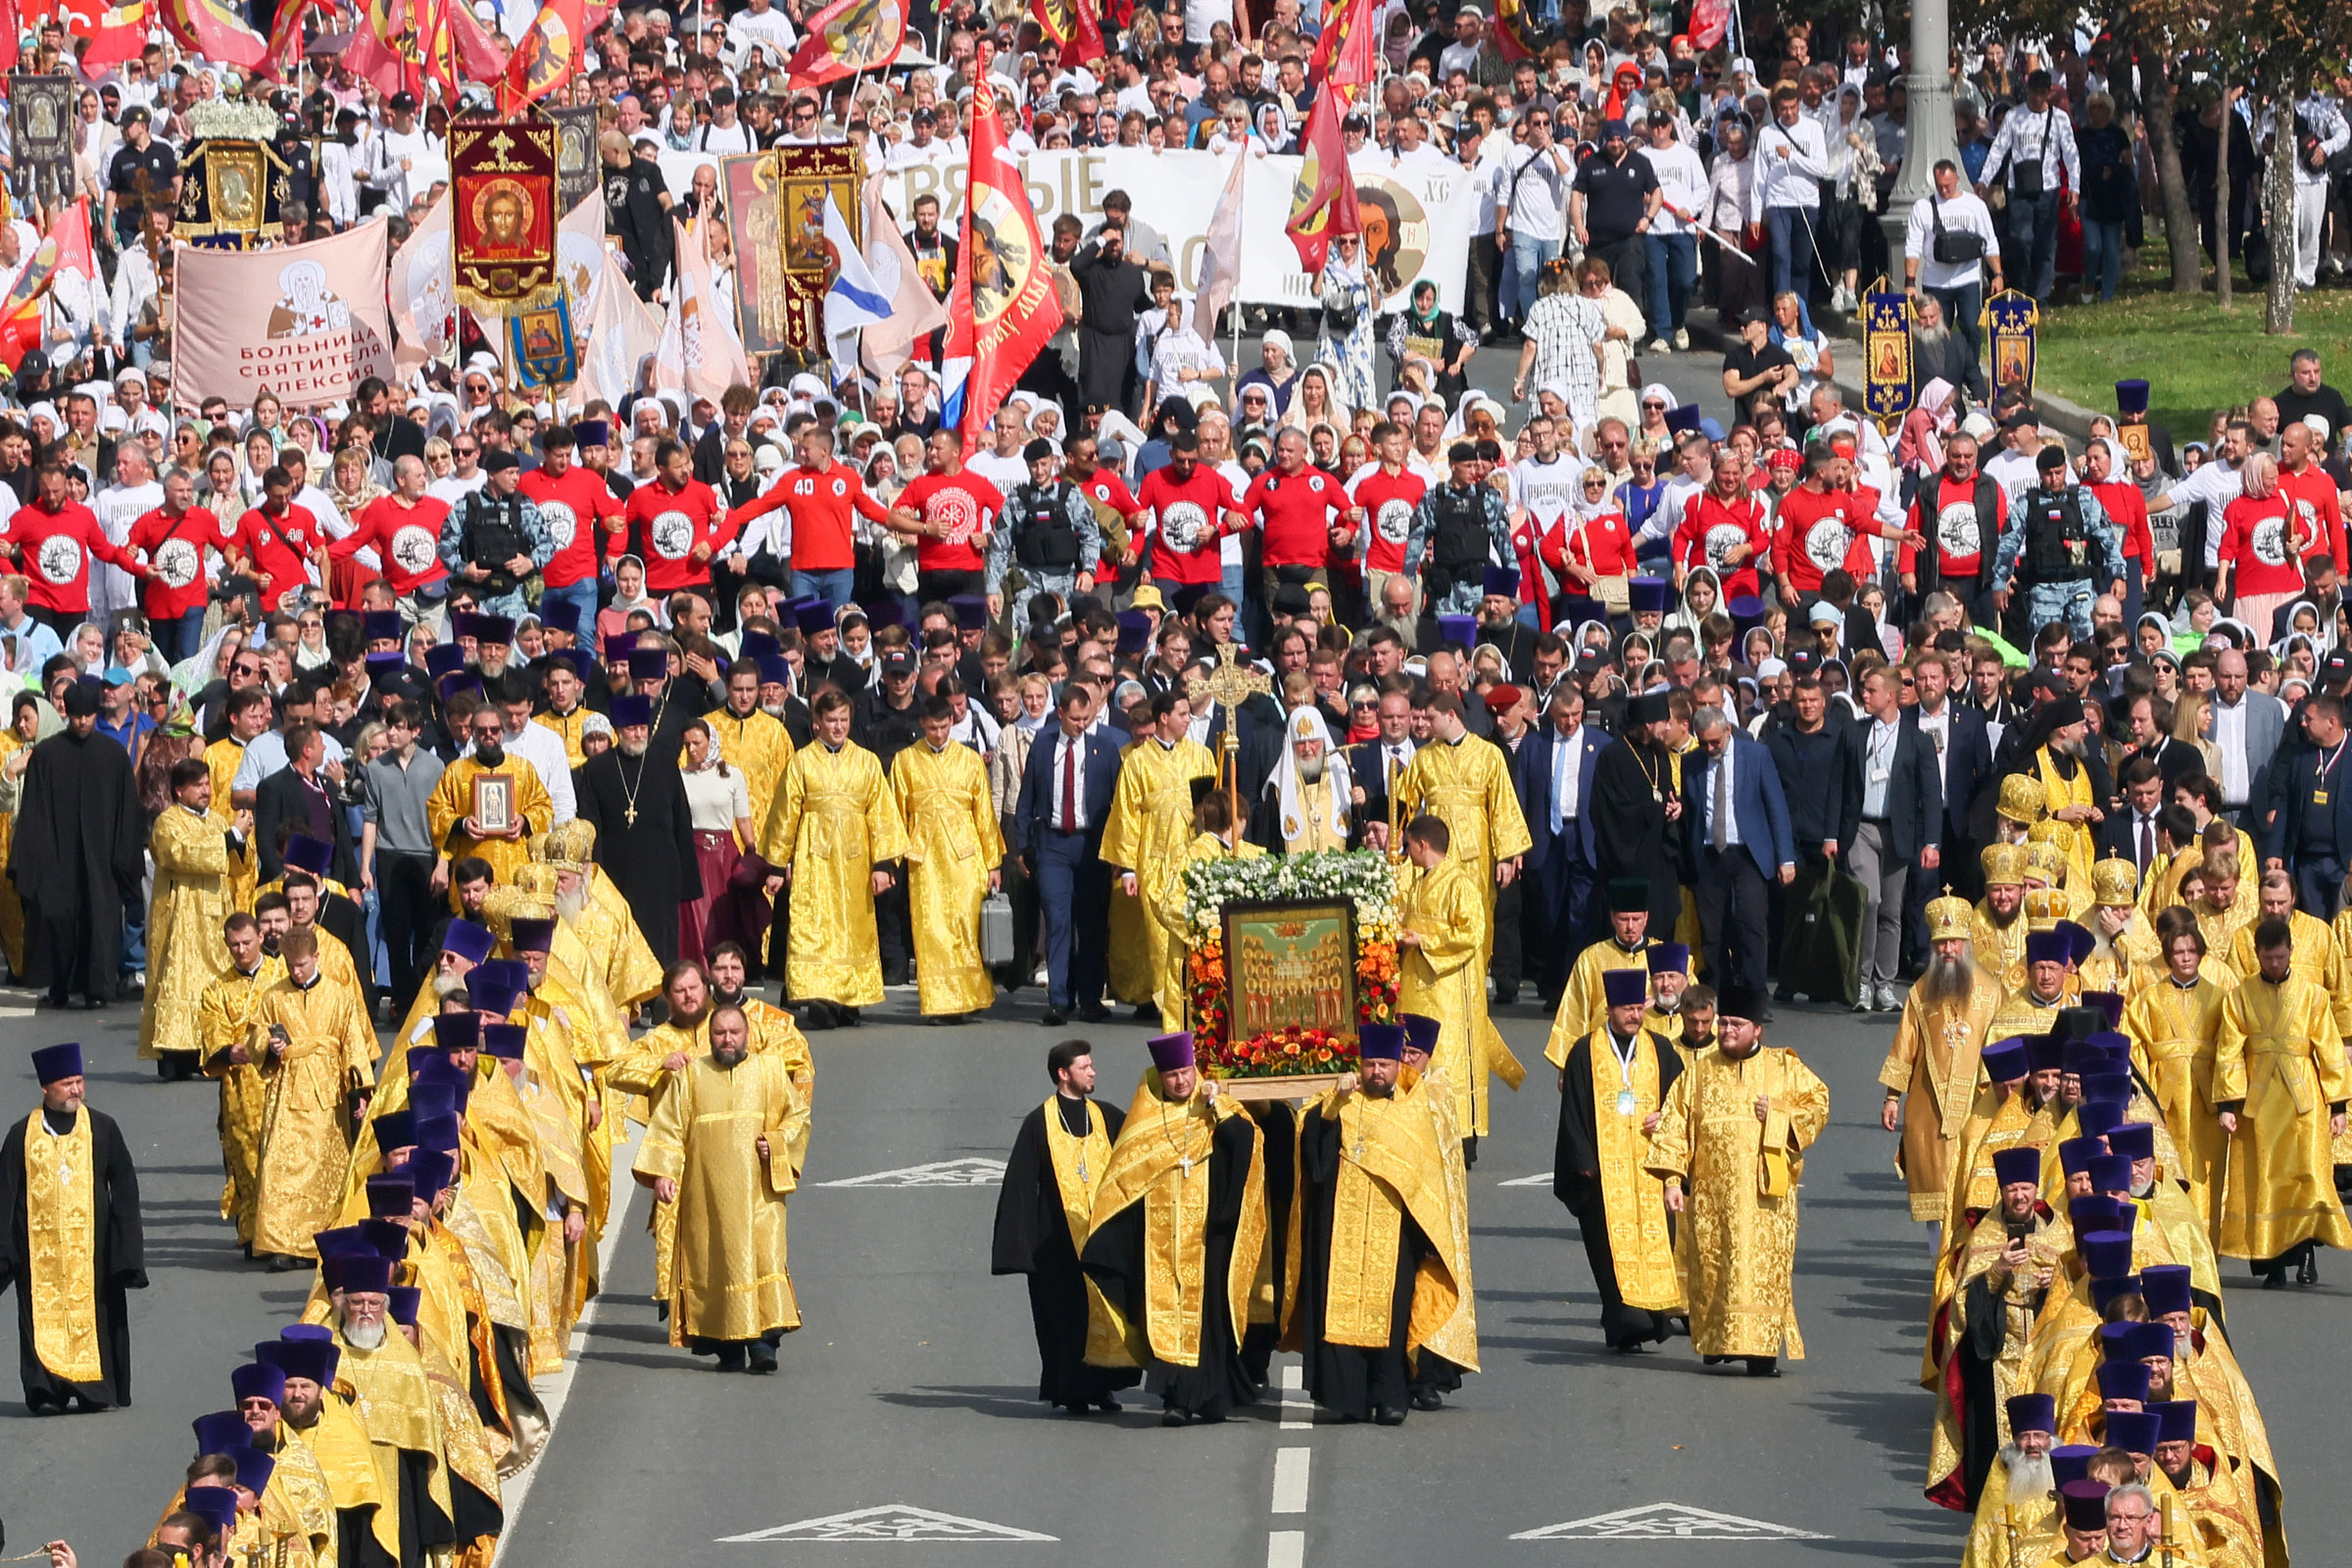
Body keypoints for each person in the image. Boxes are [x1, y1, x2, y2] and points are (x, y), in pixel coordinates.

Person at [1079, 1031, 1265, 1426]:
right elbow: (1123, 1177)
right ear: (1160, 1077)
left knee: (1208, 1315)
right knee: (1162, 1312)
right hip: (1157, 1238)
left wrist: (1216, 1106)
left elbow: (1245, 1142)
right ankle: (1176, 1399)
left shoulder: (1217, 1105)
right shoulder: (1145, 1115)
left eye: (1184, 1073)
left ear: (1195, 1069)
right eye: (1171, 1076)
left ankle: (1211, 1396)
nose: (1180, 1082)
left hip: (1208, 1235)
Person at [1643, 983, 1830, 1375]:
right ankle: (1719, 1342)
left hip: (1767, 1201)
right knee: (1715, 1271)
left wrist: (1779, 1113)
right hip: (1713, 1200)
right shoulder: (1698, 1073)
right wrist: (1673, 1181)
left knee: (1761, 1275)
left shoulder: (1784, 1067)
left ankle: (1761, 1356)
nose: (1727, 1031)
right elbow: (1675, 1125)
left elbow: (1819, 1102)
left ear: (1757, 1029)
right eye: (1724, 1023)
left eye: (1736, 1025)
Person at [1296, 1022, 1471, 1425]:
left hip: (1396, 1234)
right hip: (1340, 1227)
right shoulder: (1336, 1100)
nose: (1377, 1072)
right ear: (1360, 1064)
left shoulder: (1413, 1108)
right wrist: (1334, 1106)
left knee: (1391, 1317)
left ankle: (1390, 1397)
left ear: (1397, 1067)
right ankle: (1348, 1398)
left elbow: (1428, 1177)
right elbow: (1315, 1160)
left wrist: (1428, 1235)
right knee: (1339, 1312)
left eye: (1385, 1065)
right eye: (1371, 1064)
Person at [633, 1000, 808, 1371]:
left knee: (762, 1259)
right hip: (705, 1195)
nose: (727, 1039)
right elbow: (668, 1128)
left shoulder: (772, 1072)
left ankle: (764, 1346)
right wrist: (663, 1173)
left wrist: (776, 1142)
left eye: (734, 1032)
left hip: (759, 1196)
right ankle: (727, 1349)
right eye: (720, 1033)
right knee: (714, 1265)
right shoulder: (691, 1077)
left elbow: (798, 1119)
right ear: (710, 1037)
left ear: (748, 1035)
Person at [990, 1039, 1138, 1416]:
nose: (1093, 1072)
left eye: (1091, 1065)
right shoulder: (1039, 1122)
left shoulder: (1105, 1116)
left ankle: (1103, 1386)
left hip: (1103, 1238)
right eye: (1085, 1067)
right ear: (1063, 1073)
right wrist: (1020, 1248)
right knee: (1067, 1319)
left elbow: (1139, 1151)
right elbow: (1021, 1185)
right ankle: (1071, 1389)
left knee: (1106, 1313)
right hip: (1056, 1244)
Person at [1, 1043, 146, 1413]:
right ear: (46, 1088)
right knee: (38, 1318)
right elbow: (5, 1196)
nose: (76, 1091)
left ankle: (91, 1390)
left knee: (96, 1315)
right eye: (67, 1084)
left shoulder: (102, 1127)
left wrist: (126, 1252)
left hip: (92, 1253)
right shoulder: (22, 1134)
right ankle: (45, 1390)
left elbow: (125, 1188)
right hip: (39, 1255)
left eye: (80, 1082)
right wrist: (6, 1253)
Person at [2214, 913, 2352, 1285]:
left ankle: (2306, 1255)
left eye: (2281, 957)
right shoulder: (2240, 996)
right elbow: (2229, 1051)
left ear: (2291, 951)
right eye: (2268, 958)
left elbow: (2330, 1050)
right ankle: (2271, 1262)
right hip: (2258, 1104)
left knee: (2306, 1177)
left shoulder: (2313, 996)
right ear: (2257, 954)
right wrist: (2227, 1105)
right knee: (2266, 1182)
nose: (2275, 964)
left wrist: (2338, 1107)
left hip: (2303, 1100)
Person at [1552, 965, 1684, 1352]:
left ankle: (1652, 1315)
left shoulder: (1660, 1050)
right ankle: (1625, 1323)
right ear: (1610, 1009)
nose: (1635, 1016)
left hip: (1651, 1171)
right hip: (1602, 1178)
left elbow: (1681, 1102)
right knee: (1610, 1251)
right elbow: (1572, 1113)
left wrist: (1668, 1116)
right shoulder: (1584, 1052)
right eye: (1627, 1009)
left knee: (1655, 1244)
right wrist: (1584, 1164)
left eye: (1639, 1009)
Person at [760, 687, 906, 1031]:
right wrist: (778, 865)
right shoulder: (801, 761)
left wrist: (884, 865)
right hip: (814, 857)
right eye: (831, 721)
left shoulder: (867, 761)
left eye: (843, 720)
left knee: (853, 927)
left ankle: (849, 997)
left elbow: (882, 814)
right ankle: (818, 995)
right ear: (817, 723)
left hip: (856, 858)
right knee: (814, 923)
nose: (838, 727)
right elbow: (785, 814)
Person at [1924, 1132, 2055, 1510]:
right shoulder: (1985, 1237)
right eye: (2012, 1189)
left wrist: (2055, 1282)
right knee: (1997, 1435)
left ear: (2036, 1189)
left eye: (2026, 1188)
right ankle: (1997, 1508)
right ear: (2002, 1191)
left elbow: (2078, 1293)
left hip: (2043, 1349)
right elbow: (1963, 1304)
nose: (2019, 1196)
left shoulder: (2056, 1233)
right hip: (1997, 1355)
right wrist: (1996, 1272)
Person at [245, 927, 374, 1270]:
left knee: (322, 1165)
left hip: (327, 1089)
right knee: (280, 1163)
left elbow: (354, 1044)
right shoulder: (274, 996)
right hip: (287, 1088)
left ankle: (319, 1242)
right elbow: (255, 1033)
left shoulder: (340, 995)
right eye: (290, 965)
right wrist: (268, 1048)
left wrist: (359, 1092)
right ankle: (281, 1244)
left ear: (316, 957)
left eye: (301, 964)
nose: (296, 971)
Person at [9, 679, 144, 1008]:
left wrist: (123, 856)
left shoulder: (112, 755)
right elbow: (35, 809)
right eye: (77, 716)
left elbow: (127, 810)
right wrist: (34, 858)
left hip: (102, 859)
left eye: (88, 715)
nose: (82, 722)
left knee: (99, 920)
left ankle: (96, 989)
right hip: (57, 858)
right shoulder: (48, 754)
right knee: (57, 917)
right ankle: (59, 984)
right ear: (66, 713)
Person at [1098, 689, 1217, 1029]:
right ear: (1163, 718)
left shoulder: (1202, 756)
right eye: (1182, 714)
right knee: (1158, 935)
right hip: (1152, 858)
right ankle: (1164, 1002)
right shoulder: (1137, 761)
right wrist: (1129, 869)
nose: (1188, 719)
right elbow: (1126, 816)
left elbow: (1212, 808)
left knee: (1193, 928)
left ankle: (1196, 1001)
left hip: (1194, 858)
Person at [1880, 893, 2000, 1223]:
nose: (1948, 950)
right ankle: (1937, 1269)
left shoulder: (1990, 991)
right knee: (1934, 1194)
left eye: (1954, 942)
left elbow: (1998, 1044)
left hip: (1976, 1104)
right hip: (1927, 1106)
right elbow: (1905, 1043)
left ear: (1967, 943)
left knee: (1971, 1195)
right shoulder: (1920, 991)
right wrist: (1892, 1097)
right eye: (1941, 943)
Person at [889, 695, 1003, 1022]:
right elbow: (896, 812)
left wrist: (993, 862)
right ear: (922, 724)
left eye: (943, 726)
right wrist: (890, 861)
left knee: (965, 927)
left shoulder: (970, 760)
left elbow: (985, 816)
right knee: (931, 929)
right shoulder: (905, 760)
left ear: (951, 723)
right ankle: (940, 1002)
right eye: (932, 727)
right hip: (924, 859)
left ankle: (968, 996)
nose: (939, 733)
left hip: (966, 857)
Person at [1014, 684, 1121, 1028]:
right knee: (1058, 921)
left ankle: (1089, 998)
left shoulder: (1104, 746)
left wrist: (1118, 851)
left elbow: (1118, 803)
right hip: (1054, 844)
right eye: (1074, 719)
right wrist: (1021, 846)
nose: (1080, 725)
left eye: (1086, 719)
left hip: (1091, 845)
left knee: (1090, 923)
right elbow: (1027, 796)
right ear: (1060, 714)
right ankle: (1059, 999)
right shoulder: (1044, 745)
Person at [141, 757, 255, 1076]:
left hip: (216, 915)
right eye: (197, 786)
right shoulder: (168, 821)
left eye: (207, 784)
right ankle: (176, 1056)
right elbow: (181, 855)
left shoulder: (218, 821)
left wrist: (242, 838)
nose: (205, 791)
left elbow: (238, 866)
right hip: (181, 916)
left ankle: (212, 1049)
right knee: (180, 981)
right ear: (179, 791)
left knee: (213, 983)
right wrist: (231, 837)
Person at [574, 694, 702, 975]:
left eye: (642, 728)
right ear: (618, 731)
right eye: (632, 729)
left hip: (661, 870)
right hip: (617, 870)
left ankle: (661, 992)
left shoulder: (664, 763)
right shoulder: (597, 769)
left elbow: (682, 818)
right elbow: (589, 824)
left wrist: (687, 879)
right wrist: (594, 873)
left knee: (660, 937)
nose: (638, 734)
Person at [1682, 702, 1796, 1002]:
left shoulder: (1756, 755)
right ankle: (1720, 994)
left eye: (1715, 742)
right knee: (1713, 931)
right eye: (1703, 742)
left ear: (1728, 731)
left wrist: (1785, 857)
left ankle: (1755, 995)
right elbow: (1692, 814)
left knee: (1751, 925)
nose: (1709, 748)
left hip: (1748, 854)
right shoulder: (1691, 762)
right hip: (1709, 854)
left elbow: (1776, 808)